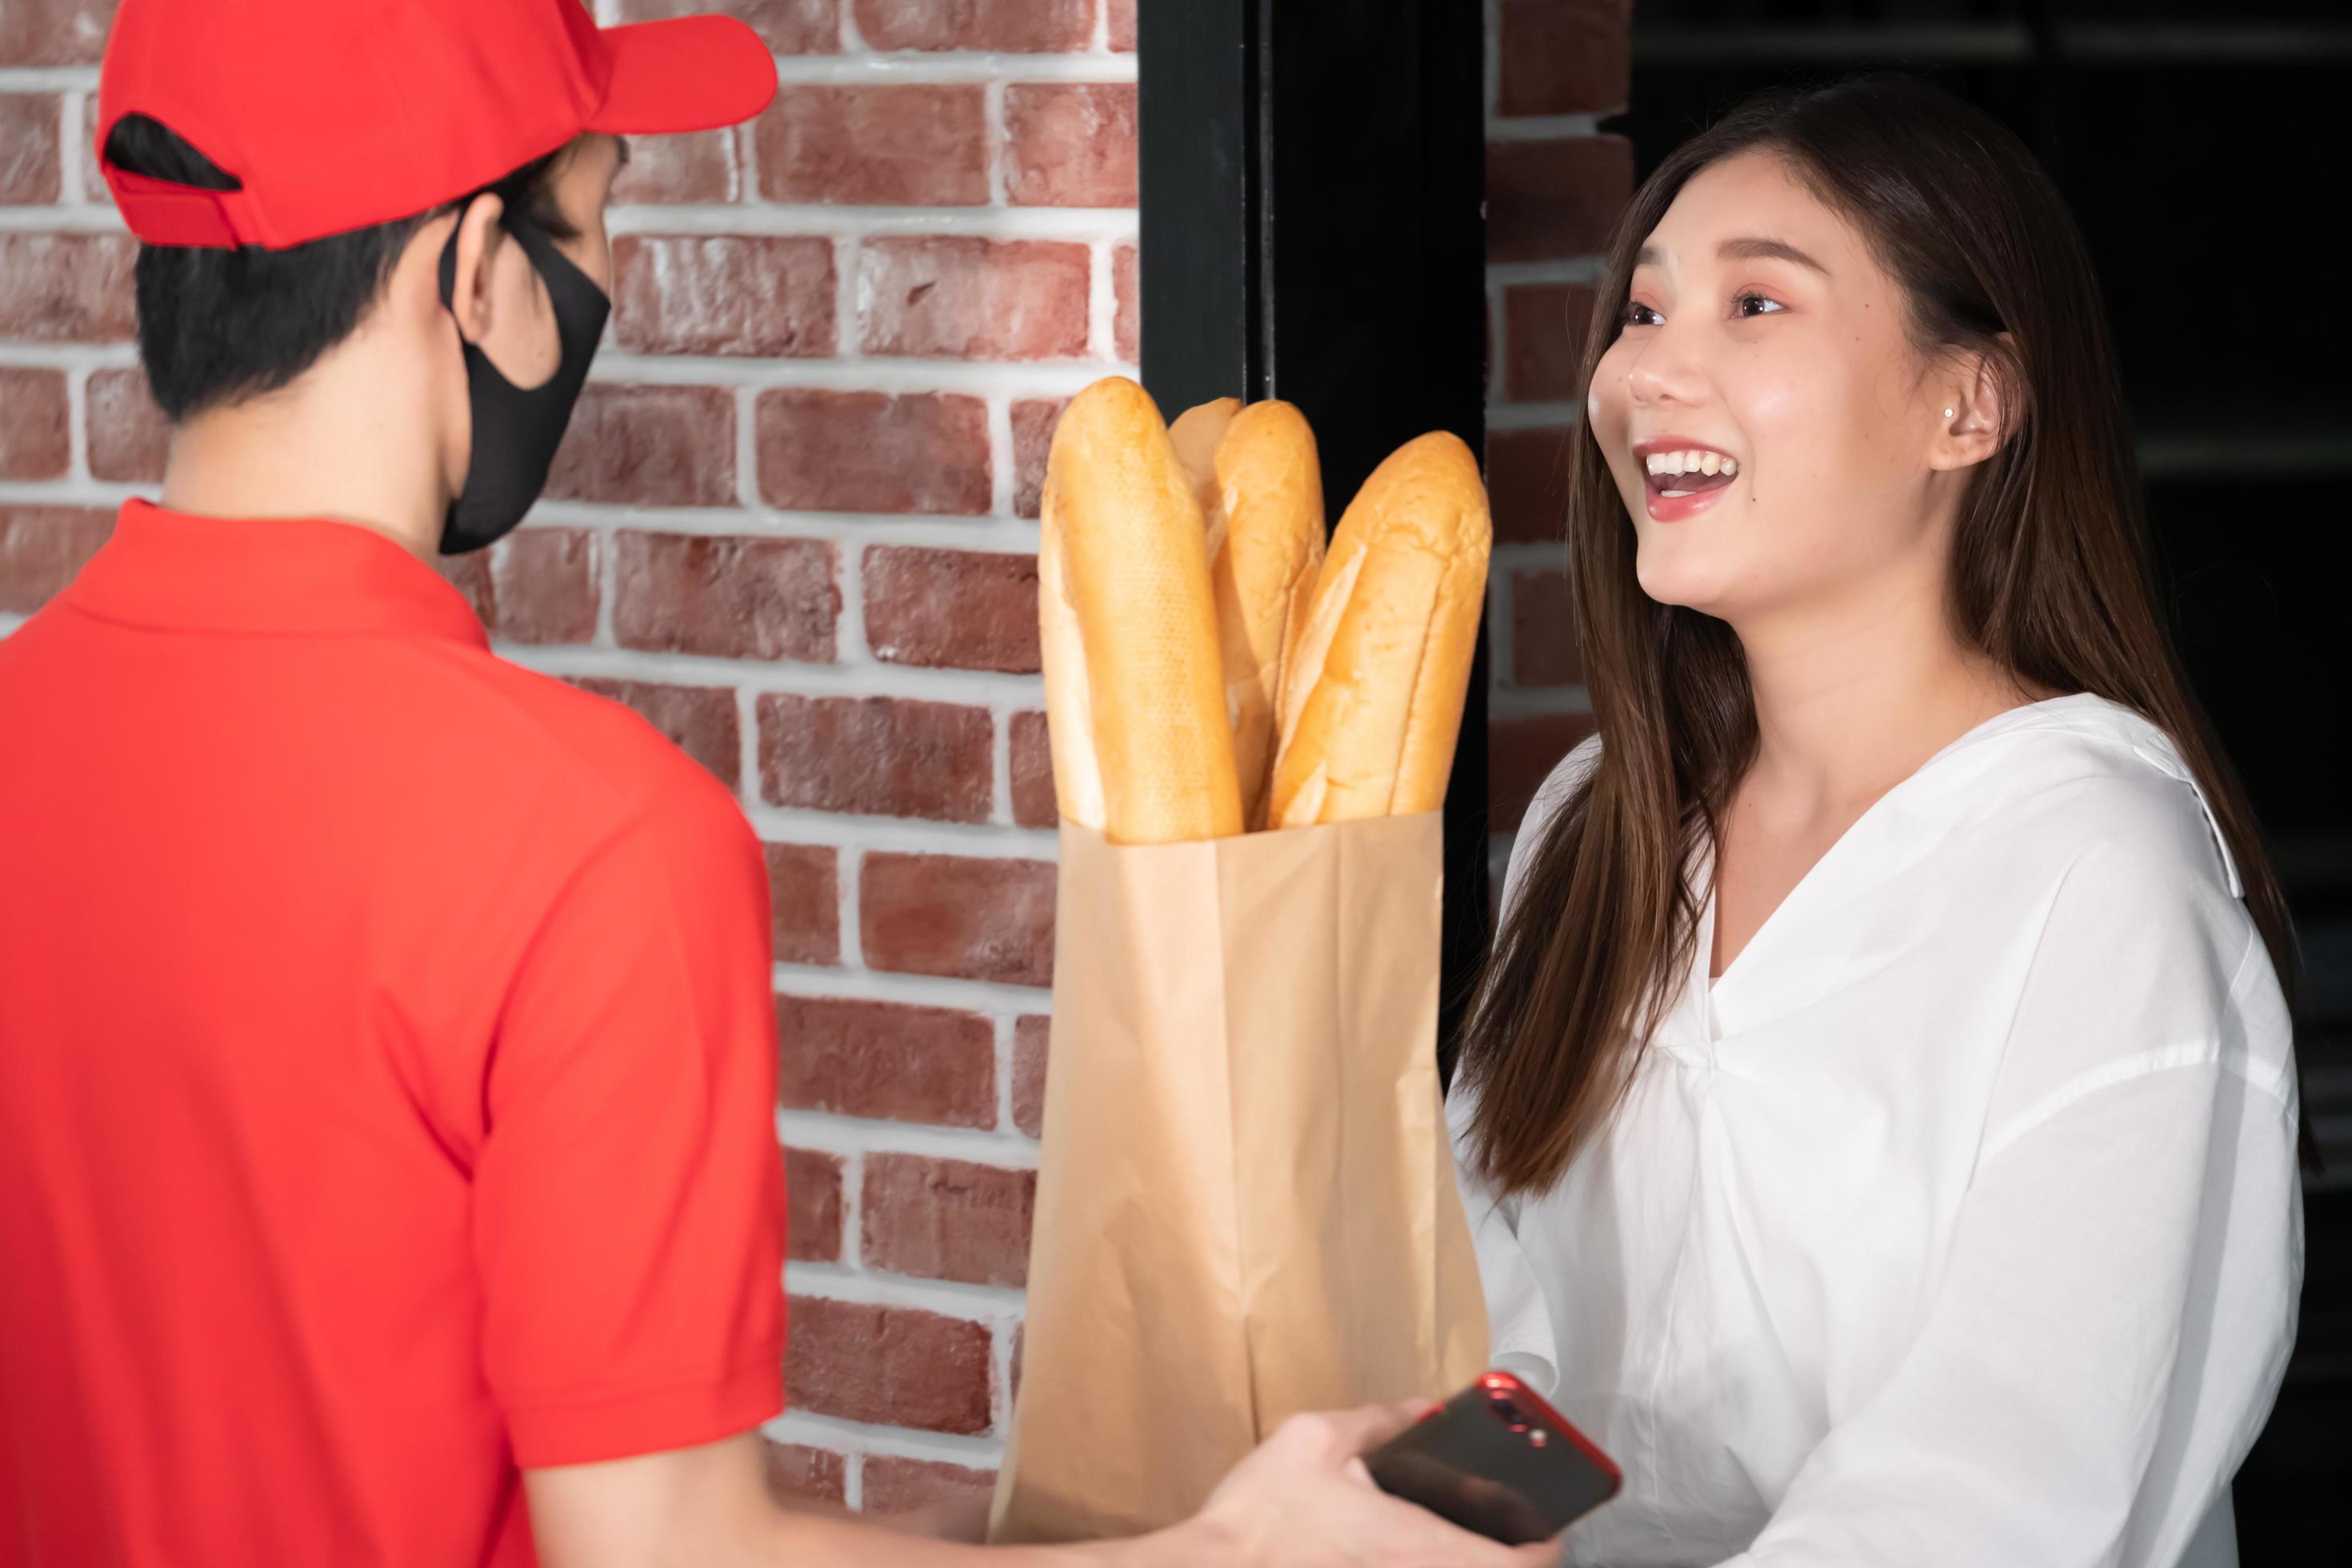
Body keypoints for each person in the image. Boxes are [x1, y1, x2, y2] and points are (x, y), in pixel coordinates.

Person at [0, 4, 1546, 1567]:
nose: (603, 271)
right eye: (600, 211)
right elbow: (661, 1551)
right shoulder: (588, 840)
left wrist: (1110, 1529)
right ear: (474, 271)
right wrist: (1245, 1555)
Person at [1450, 74, 2303, 1568]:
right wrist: (1436, 1537)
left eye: (1754, 307)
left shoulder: (2096, 877)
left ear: (1968, 404)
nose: (1649, 373)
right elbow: (1480, 1324)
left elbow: (1995, 1486)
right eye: (1642, 315)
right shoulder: (1596, 824)